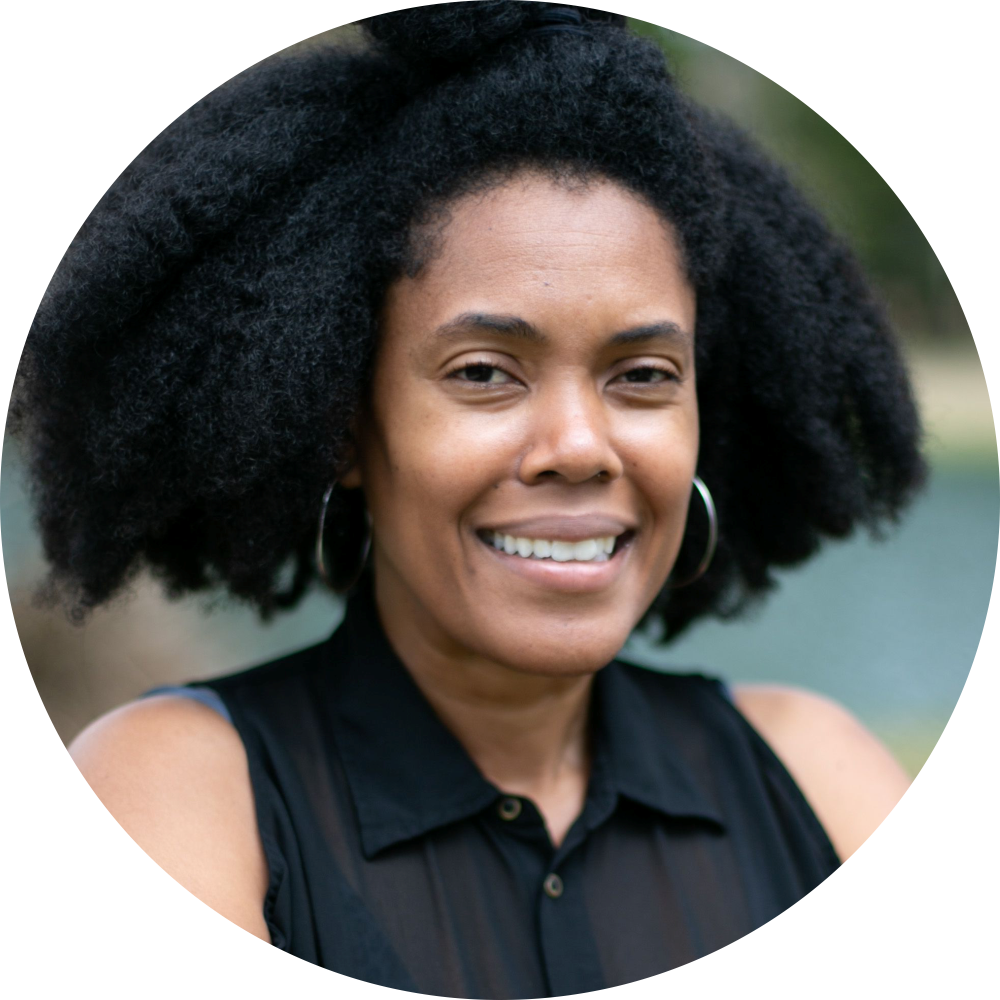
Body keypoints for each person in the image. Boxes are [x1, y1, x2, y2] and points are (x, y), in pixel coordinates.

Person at [11, 3, 925, 996]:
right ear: (345, 424)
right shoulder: (180, 793)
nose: (579, 446)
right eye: (485, 372)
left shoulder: (818, 780)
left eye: (644, 374)